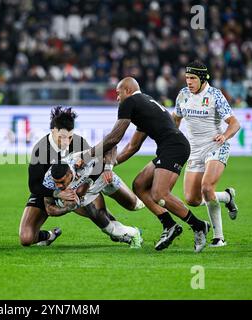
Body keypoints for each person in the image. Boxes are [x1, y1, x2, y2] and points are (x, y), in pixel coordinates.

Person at [84, 77, 211, 253]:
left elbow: (115, 137)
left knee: (160, 193)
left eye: (118, 93)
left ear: (128, 90)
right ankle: (169, 225)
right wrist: (111, 164)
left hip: (174, 148)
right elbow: (132, 147)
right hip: (172, 147)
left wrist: (88, 155)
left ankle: (198, 226)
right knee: (139, 185)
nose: (117, 98)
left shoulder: (130, 102)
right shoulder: (145, 104)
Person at [19, 106, 141, 247]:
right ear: (53, 132)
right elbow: (34, 186)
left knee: (100, 213)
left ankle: (117, 231)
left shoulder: (79, 143)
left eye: (70, 137)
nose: (66, 142)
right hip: (48, 191)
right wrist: (58, 193)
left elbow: (93, 167)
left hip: (78, 187)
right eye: (62, 137)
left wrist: (92, 181)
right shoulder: (40, 150)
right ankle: (50, 235)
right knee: (26, 238)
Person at [172, 61, 240, 247]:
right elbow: (175, 119)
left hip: (215, 146)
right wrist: (171, 138)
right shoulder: (183, 95)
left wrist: (225, 136)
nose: (189, 82)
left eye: (193, 78)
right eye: (187, 78)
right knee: (192, 199)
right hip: (194, 150)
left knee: (207, 187)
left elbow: (235, 124)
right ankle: (227, 197)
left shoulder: (215, 95)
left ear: (202, 79)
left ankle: (219, 238)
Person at [42, 158, 144, 248]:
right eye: (56, 183)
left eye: (62, 182)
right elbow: (49, 209)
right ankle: (133, 233)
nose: (59, 186)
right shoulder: (49, 179)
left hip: (102, 179)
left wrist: (108, 167)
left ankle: (131, 229)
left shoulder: (80, 160)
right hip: (87, 194)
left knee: (136, 205)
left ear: (70, 174)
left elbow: (107, 150)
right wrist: (68, 208)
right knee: (107, 227)